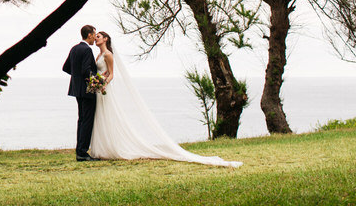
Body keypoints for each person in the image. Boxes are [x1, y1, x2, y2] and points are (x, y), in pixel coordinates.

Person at [89, 31, 242, 167]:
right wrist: (97, 81)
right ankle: (103, 147)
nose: (96, 39)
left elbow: (112, 73)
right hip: (100, 89)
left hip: (106, 89)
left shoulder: (108, 54)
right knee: (101, 116)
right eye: (95, 37)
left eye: (99, 37)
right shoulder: (98, 55)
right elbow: (102, 72)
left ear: (106, 39)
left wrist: (103, 84)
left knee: (109, 115)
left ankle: (113, 147)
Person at [62, 25, 100, 161]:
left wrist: (76, 77)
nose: (95, 37)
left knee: (81, 119)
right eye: (94, 34)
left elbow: (65, 68)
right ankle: (83, 152)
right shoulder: (87, 50)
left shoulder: (74, 48)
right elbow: (86, 70)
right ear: (89, 35)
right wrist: (96, 80)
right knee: (87, 121)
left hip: (76, 89)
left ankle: (80, 151)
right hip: (87, 90)